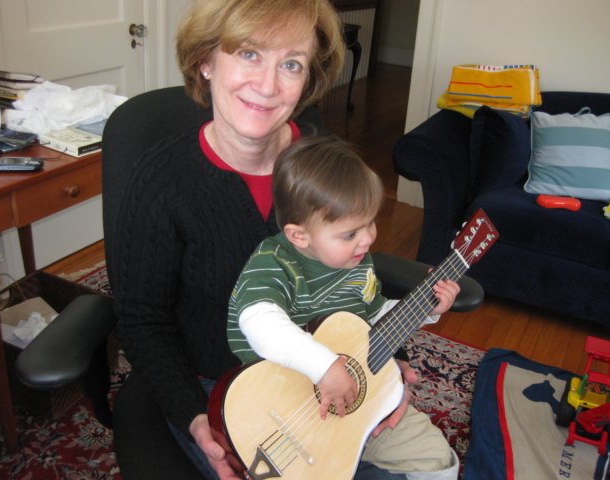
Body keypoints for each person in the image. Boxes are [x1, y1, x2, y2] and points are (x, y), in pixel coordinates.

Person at [111, 0, 433, 479]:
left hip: (333, 373)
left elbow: (349, 271)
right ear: (205, 61)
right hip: (222, 390)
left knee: (426, 466)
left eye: (291, 64)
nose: (267, 85)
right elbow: (143, 320)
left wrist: (383, 358)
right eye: (249, 54)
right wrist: (195, 417)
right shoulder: (160, 182)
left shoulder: (323, 160)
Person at [227, 135, 461, 479]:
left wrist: (426, 308)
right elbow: (258, 322)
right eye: (350, 233)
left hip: (357, 403)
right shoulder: (274, 264)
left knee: (439, 461)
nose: (367, 239)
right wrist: (324, 367)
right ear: (299, 236)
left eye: (370, 222)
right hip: (286, 409)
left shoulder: (358, 262)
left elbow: (372, 319)